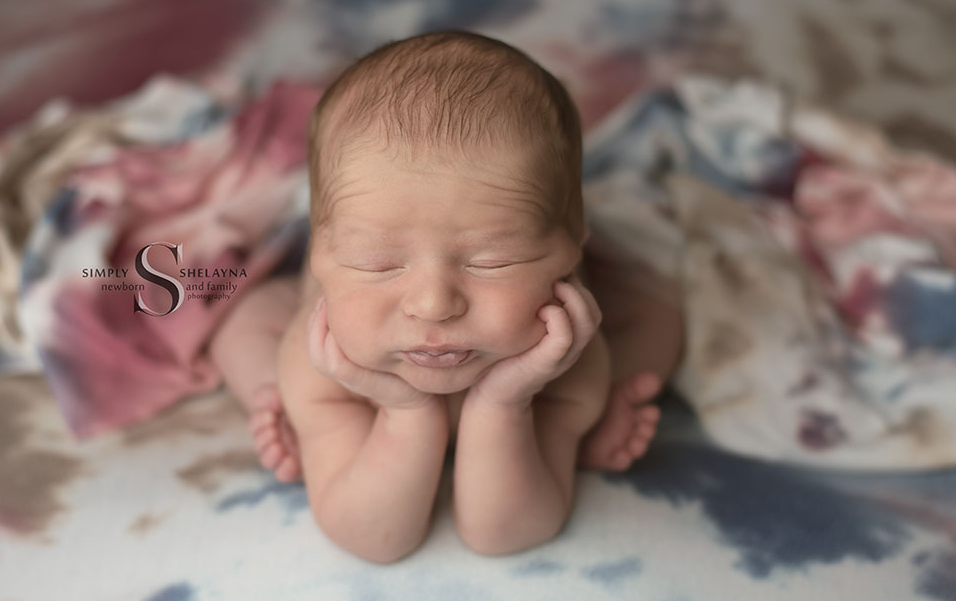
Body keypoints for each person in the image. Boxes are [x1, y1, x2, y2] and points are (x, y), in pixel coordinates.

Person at [206, 30, 684, 562]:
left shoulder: (566, 357)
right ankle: (282, 410)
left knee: (655, 312)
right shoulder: (326, 359)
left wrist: (506, 400)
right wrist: (402, 411)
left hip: (540, 371)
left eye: (491, 261)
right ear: (320, 254)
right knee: (242, 322)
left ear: (572, 247)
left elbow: (504, 533)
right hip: (340, 374)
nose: (434, 305)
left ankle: (579, 427)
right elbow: (373, 539)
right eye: (377, 263)